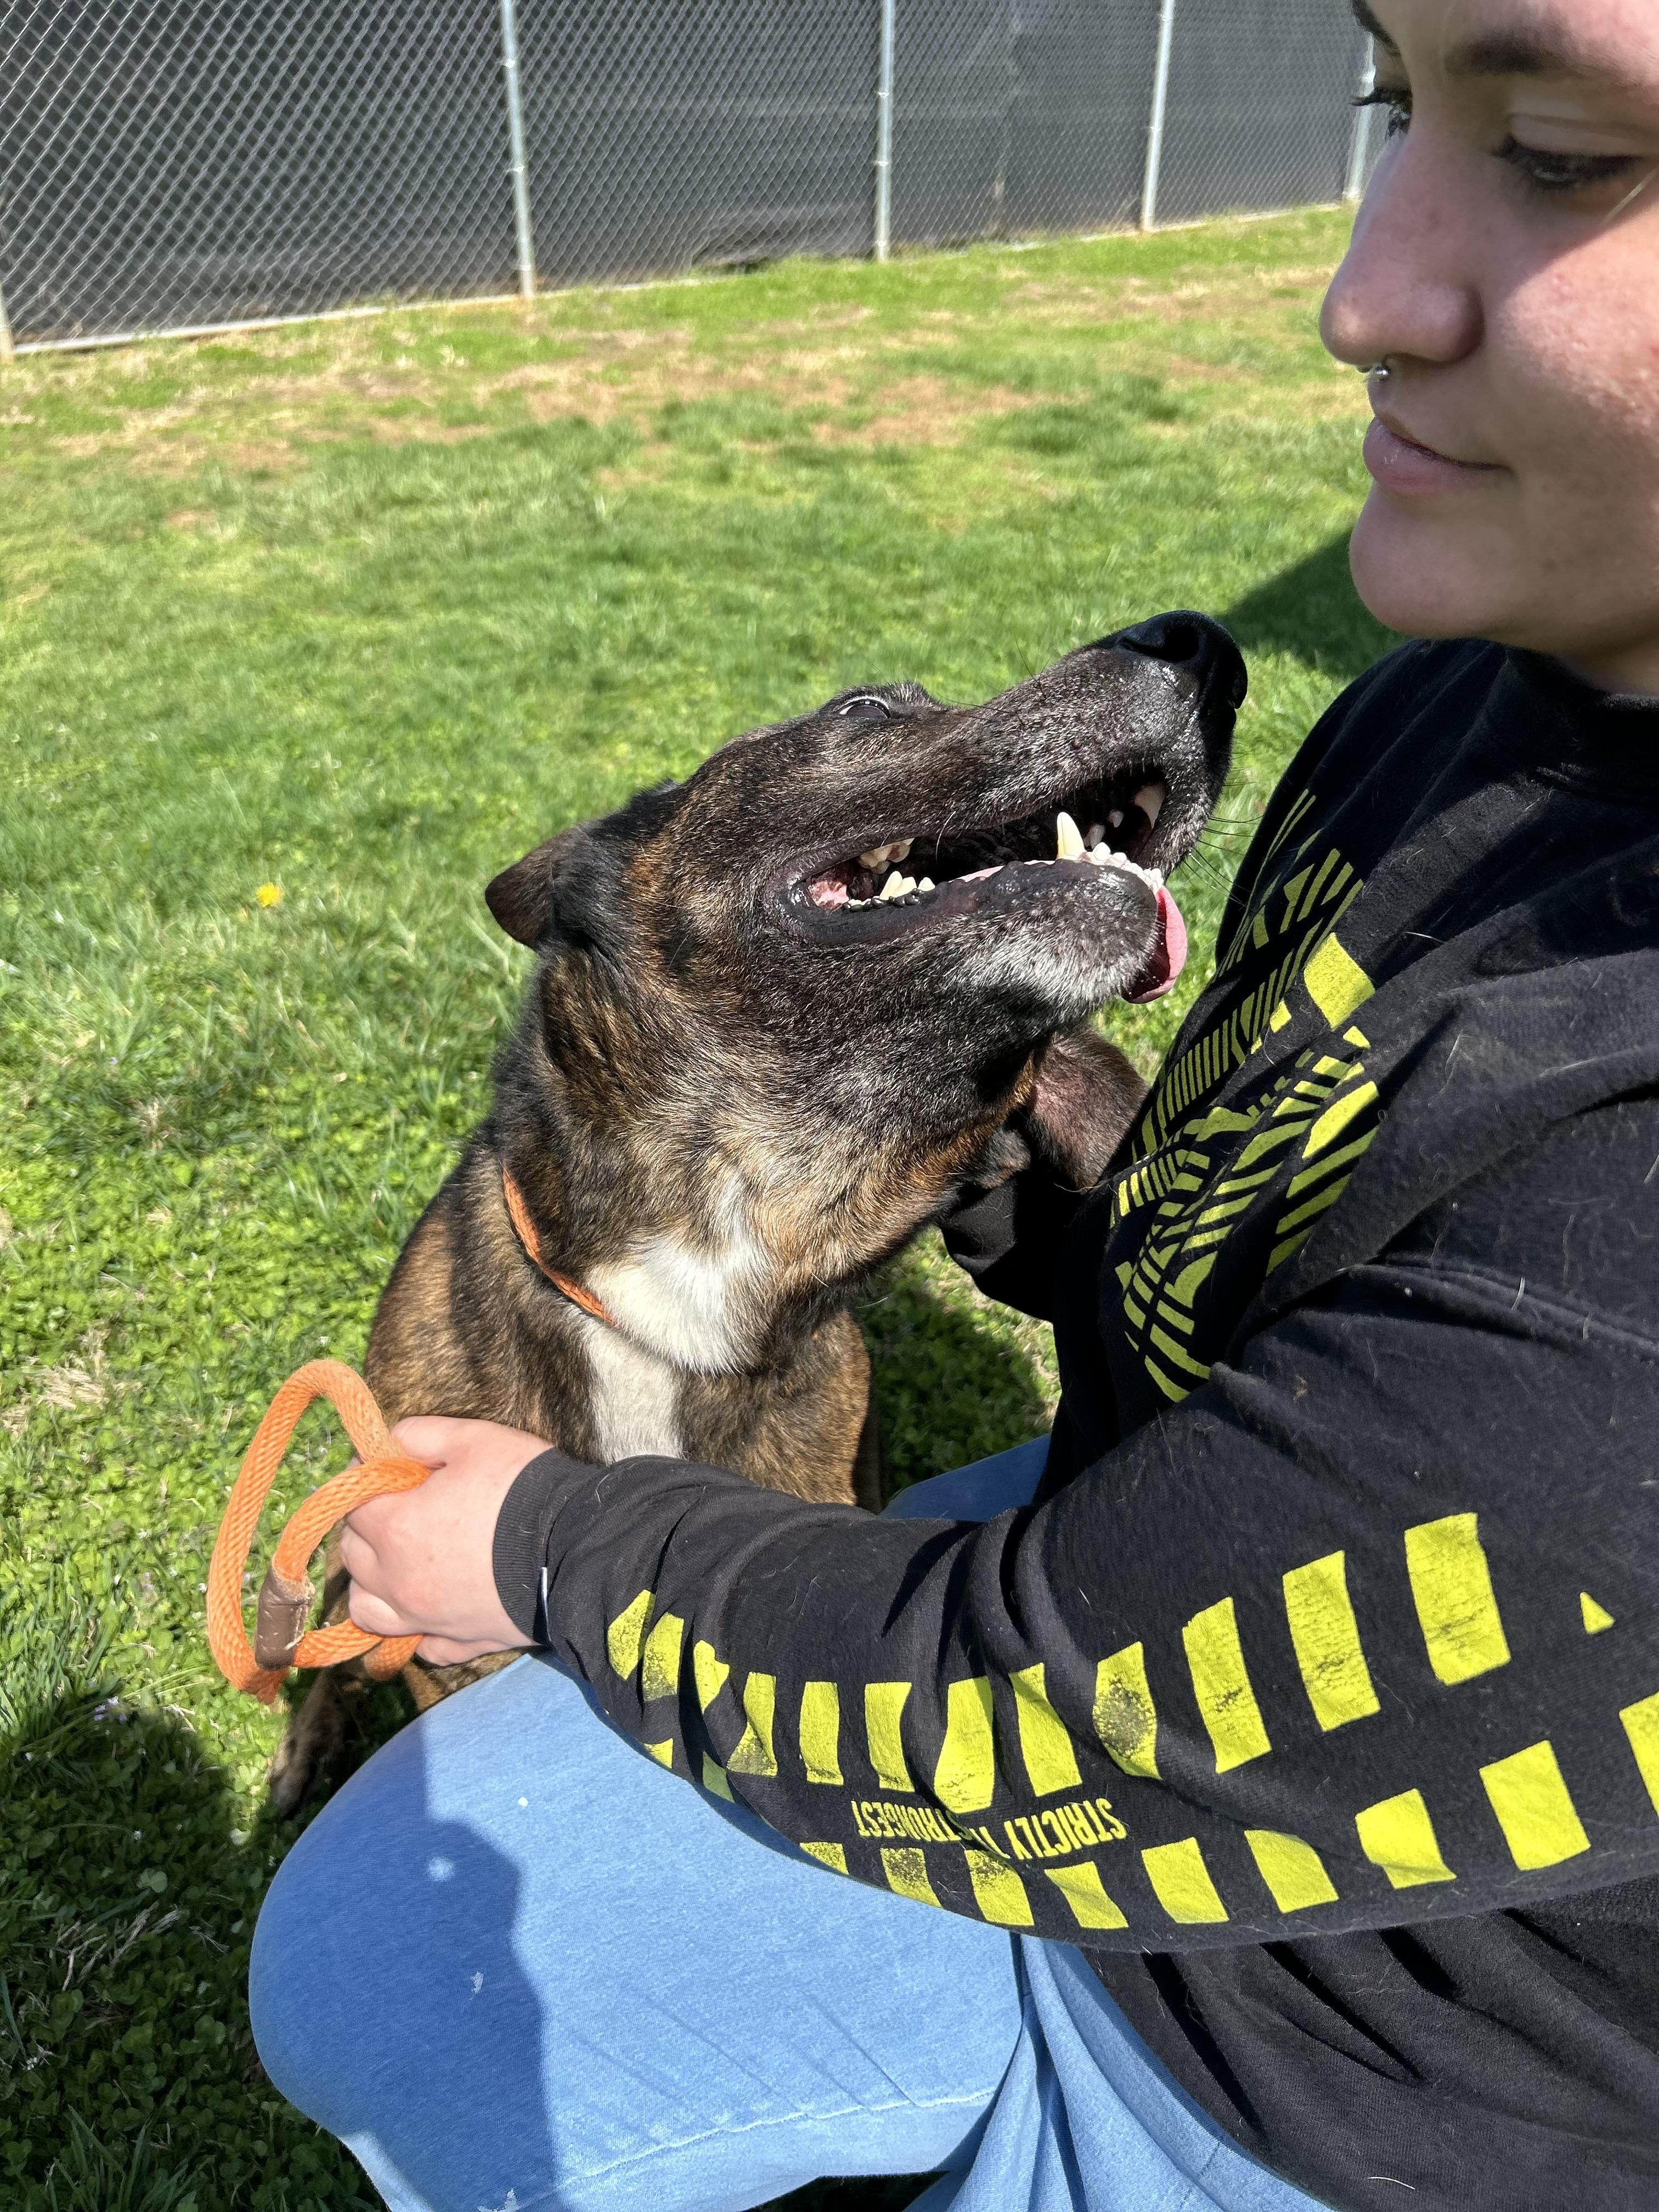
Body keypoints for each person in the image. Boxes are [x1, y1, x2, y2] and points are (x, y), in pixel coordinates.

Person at [250, 2, 1659, 2206]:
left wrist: (539, 1546)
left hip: (1326, 2058)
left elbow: (1063, 1714)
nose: (1360, 290)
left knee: (374, 1962)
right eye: (1398, 105)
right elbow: (1335, 1285)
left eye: (1569, 145)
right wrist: (1022, 1177)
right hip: (1175, 1585)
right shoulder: (1472, 711)